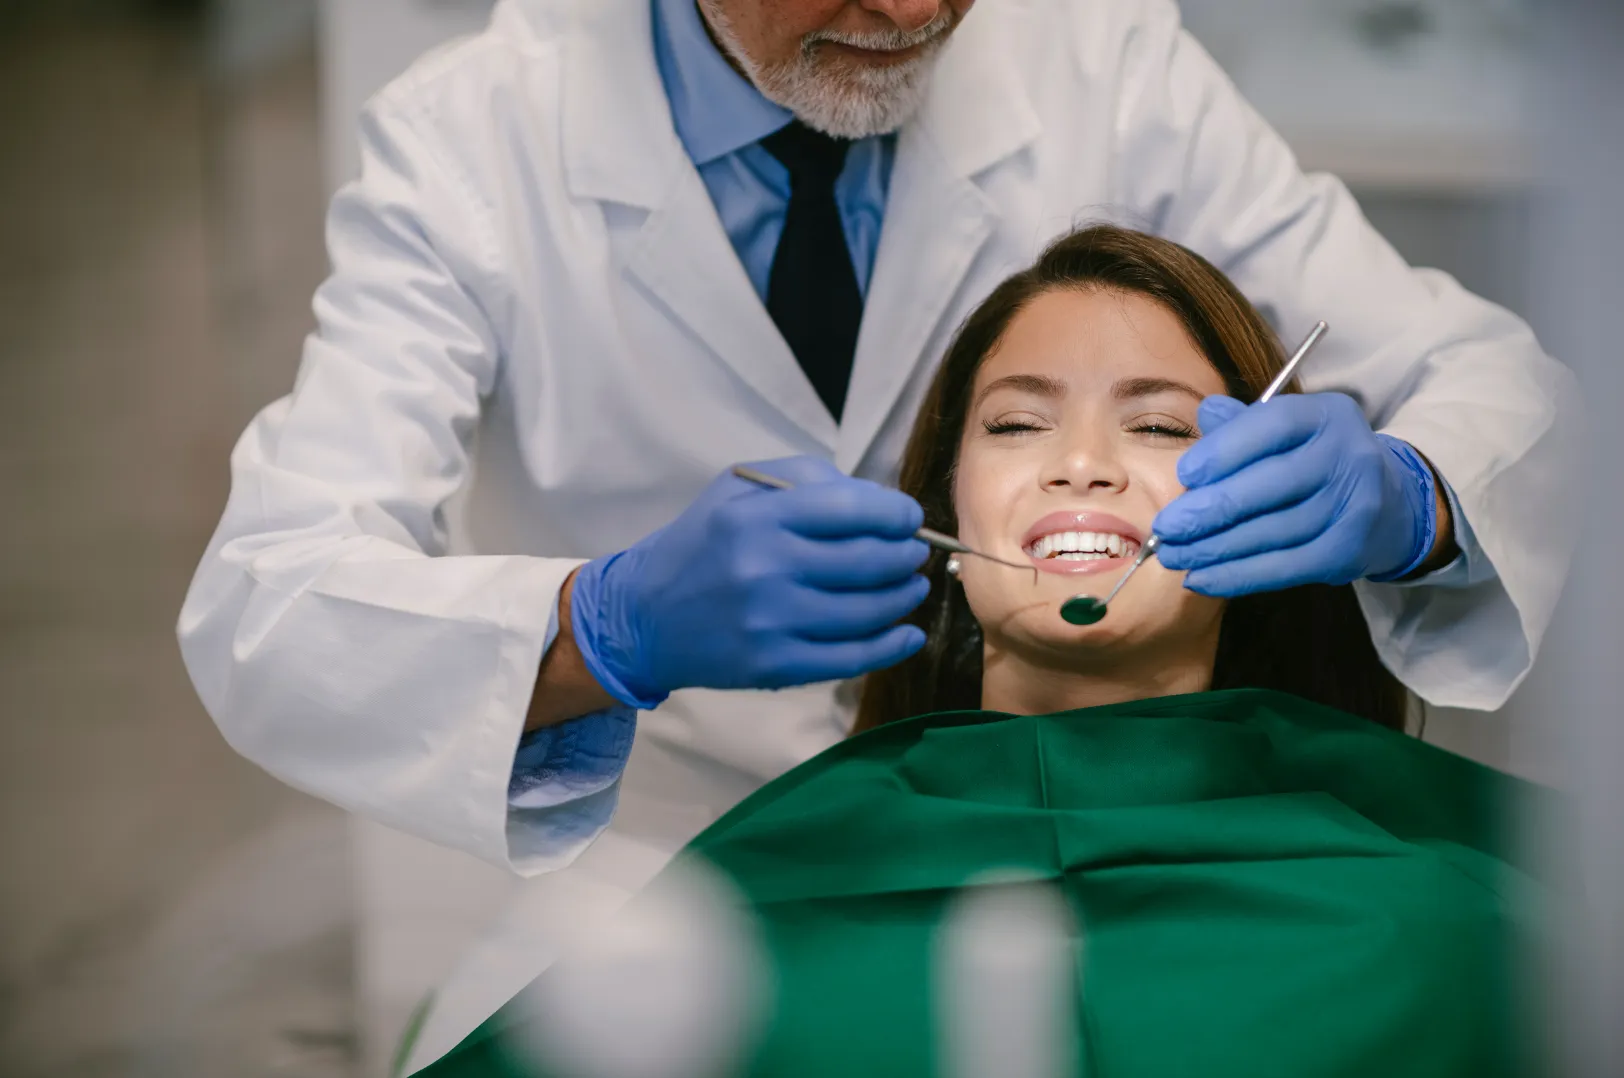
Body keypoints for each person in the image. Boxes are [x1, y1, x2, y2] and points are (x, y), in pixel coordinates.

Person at [176, 0, 1576, 1065]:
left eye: (1153, 425)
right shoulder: (476, 136)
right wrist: (604, 624)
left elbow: (1493, 384)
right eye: (1016, 423)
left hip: (1170, 824)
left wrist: (1415, 494)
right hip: (679, 854)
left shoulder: (1099, 58)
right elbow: (268, 606)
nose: (910, 12)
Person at [419, 226, 1544, 1078]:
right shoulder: (754, 910)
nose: (1082, 464)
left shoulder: (1459, 920)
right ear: (943, 510)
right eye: (1016, 423)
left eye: (1157, 424)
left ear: (1279, 509)